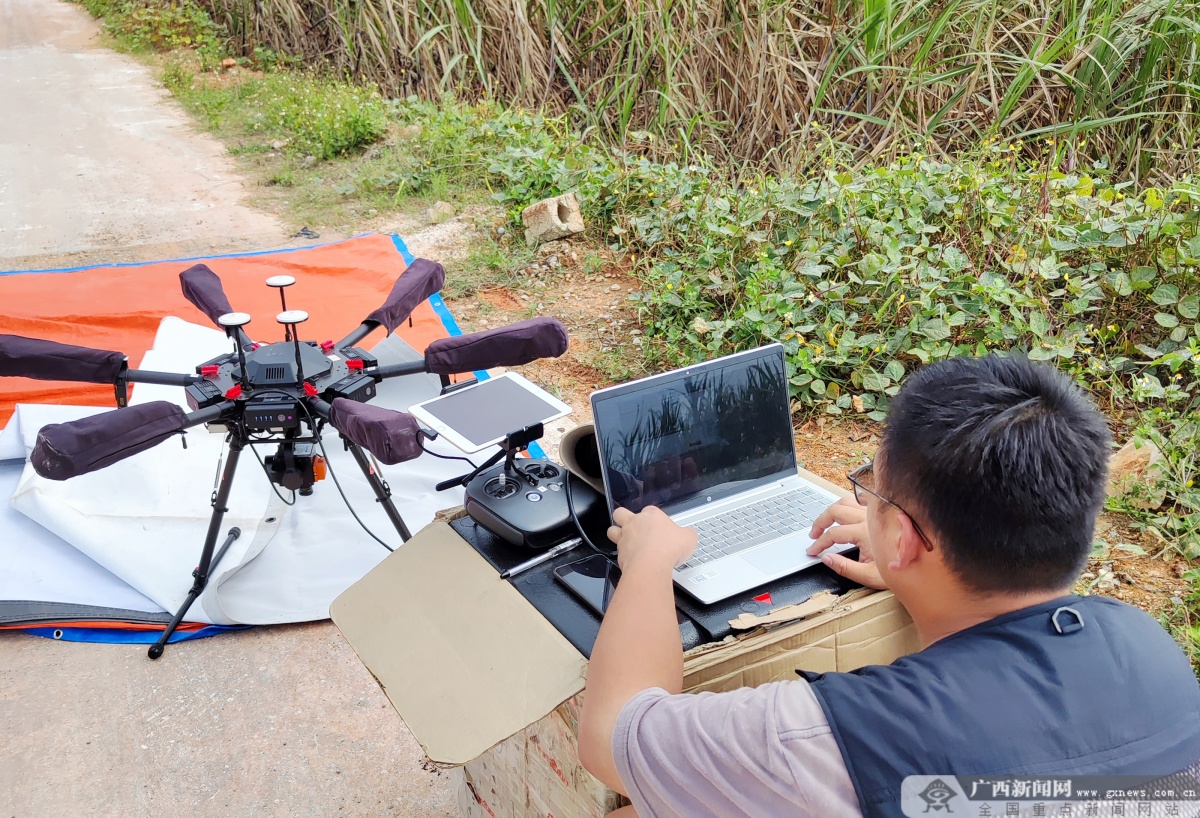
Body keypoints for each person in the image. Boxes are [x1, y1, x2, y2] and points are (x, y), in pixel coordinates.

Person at [577, 354, 1200, 818]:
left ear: (902, 537)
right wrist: (916, 568)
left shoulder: (826, 737)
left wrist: (651, 563)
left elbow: (610, 737)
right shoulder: (1151, 646)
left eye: (868, 487)